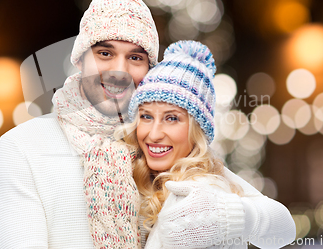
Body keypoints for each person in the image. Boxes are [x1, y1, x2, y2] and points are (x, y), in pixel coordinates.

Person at [0, 0, 295, 249]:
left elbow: (282, 228)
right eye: (105, 53)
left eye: (135, 57)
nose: (120, 70)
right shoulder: (24, 147)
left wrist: (233, 216)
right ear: (80, 58)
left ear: (149, 68)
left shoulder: (155, 141)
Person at [116, 40, 296, 248]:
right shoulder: (127, 175)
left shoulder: (205, 193)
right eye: (146, 117)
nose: (154, 134)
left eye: (172, 118)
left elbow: (284, 227)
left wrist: (229, 215)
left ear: (197, 131)